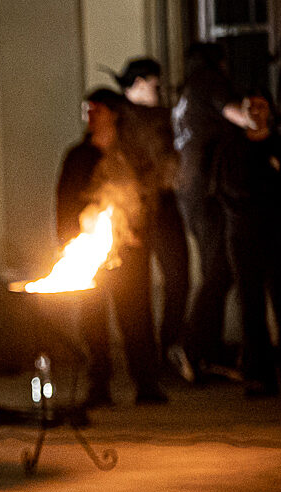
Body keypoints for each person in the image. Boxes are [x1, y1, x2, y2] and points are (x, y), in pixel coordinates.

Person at [57, 88, 167, 407]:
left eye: (97, 109)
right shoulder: (79, 157)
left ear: (114, 114)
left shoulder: (131, 155)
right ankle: (99, 385)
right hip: (88, 252)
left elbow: (147, 197)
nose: (91, 116)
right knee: (93, 319)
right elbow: (64, 202)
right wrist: (68, 241)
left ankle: (146, 383)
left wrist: (137, 232)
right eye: (87, 110)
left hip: (129, 251)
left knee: (136, 316)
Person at [172, 42, 259, 381]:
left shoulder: (187, 91)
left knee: (215, 270)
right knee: (219, 270)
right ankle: (194, 347)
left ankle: (206, 350)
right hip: (209, 192)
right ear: (217, 62)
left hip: (192, 193)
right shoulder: (209, 81)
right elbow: (242, 116)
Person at [112, 57, 192, 380]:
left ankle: (167, 348)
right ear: (140, 83)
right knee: (137, 291)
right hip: (135, 212)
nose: (159, 89)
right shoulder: (119, 119)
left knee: (178, 279)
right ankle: (147, 365)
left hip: (163, 207)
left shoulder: (162, 117)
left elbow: (171, 160)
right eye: (155, 84)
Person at [211, 91, 281, 397]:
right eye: (249, 106)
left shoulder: (278, 145)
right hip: (243, 237)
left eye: (261, 106)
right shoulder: (231, 149)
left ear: (270, 111)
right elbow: (229, 191)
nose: (255, 111)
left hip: (278, 236)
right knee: (250, 306)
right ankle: (258, 375)